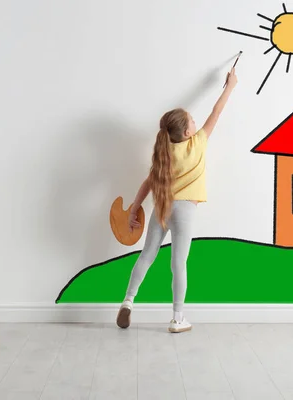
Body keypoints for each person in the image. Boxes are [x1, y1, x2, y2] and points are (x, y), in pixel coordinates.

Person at [116, 67, 238, 333]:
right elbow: (215, 113)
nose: (196, 123)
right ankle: (177, 318)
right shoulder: (197, 144)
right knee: (178, 263)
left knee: (146, 256)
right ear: (186, 133)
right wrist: (229, 87)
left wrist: (135, 208)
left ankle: (128, 301)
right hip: (184, 210)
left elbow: (148, 183)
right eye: (192, 121)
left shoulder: (163, 151)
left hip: (161, 207)